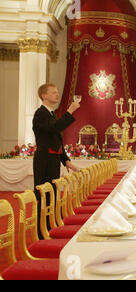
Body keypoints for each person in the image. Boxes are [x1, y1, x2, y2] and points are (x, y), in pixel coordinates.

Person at [32, 83, 80, 239]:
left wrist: (66, 161)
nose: (57, 95)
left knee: (52, 194)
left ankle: (50, 226)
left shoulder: (51, 114)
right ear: (44, 96)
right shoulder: (40, 114)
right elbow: (53, 128)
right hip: (44, 160)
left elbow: (56, 141)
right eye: (53, 92)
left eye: (57, 92)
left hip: (53, 160)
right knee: (43, 195)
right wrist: (70, 111)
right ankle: (41, 232)